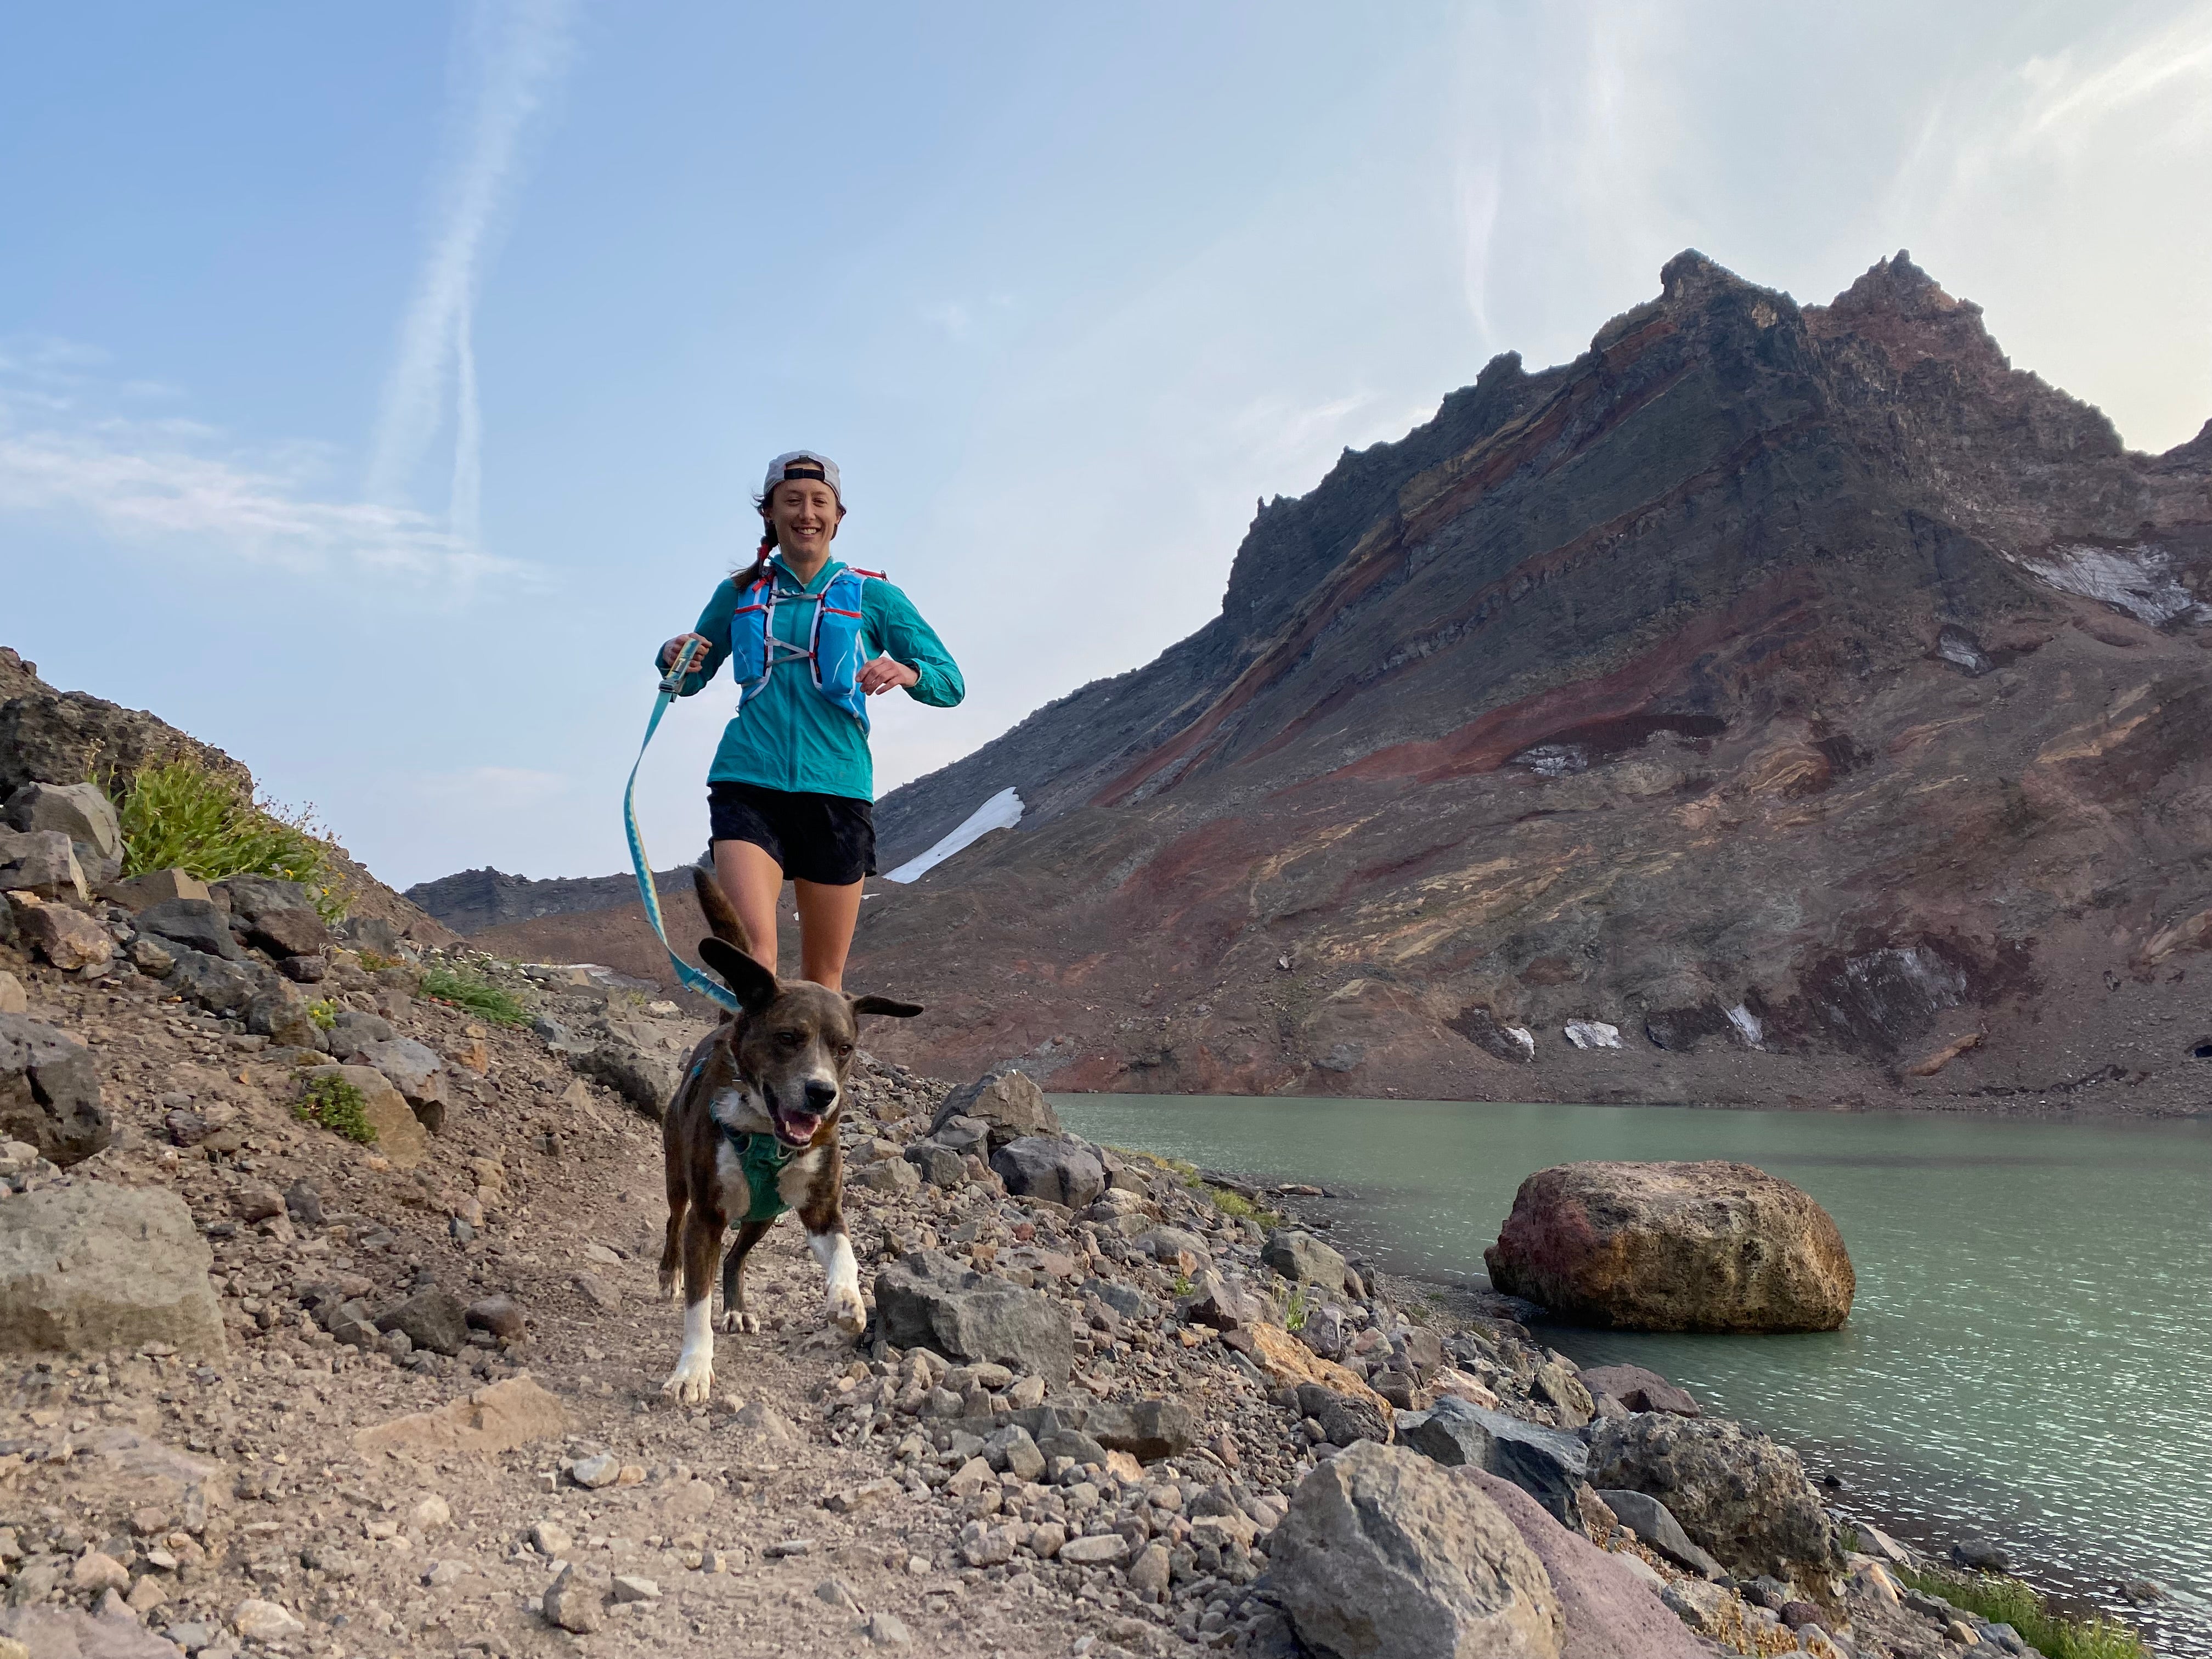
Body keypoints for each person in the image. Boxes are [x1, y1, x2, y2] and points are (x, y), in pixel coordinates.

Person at [656, 451, 962, 989]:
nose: (806, 512)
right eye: (791, 501)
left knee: (823, 983)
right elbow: (687, 680)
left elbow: (950, 682)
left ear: (838, 516)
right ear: (770, 514)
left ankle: (809, 1075)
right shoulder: (738, 595)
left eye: (819, 502)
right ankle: (742, 1073)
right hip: (748, 783)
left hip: (838, 791)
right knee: (752, 959)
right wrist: (672, 655)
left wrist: (908, 671)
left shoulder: (875, 597)